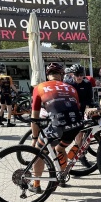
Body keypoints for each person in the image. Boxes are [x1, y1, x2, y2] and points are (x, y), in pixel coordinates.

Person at [29, 63, 84, 193]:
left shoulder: (39, 87)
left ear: (48, 75)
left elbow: (34, 117)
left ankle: (36, 184)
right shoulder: (71, 88)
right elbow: (76, 109)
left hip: (57, 126)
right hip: (75, 126)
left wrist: (34, 138)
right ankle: (62, 177)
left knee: (40, 152)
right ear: (62, 75)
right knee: (60, 148)